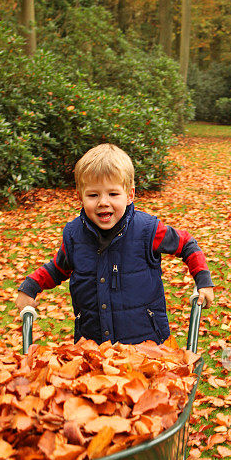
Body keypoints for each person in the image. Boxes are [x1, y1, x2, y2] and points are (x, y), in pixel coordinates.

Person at [16, 143, 214, 345]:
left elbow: (187, 245)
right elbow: (57, 268)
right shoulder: (75, 235)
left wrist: (203, 281)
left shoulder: (148, 230)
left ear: (130, 195)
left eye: (113, 194)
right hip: (93, 345)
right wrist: (30, 286)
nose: (103, 202)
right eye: (93, 195)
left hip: (146, 345)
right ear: (80, 197)